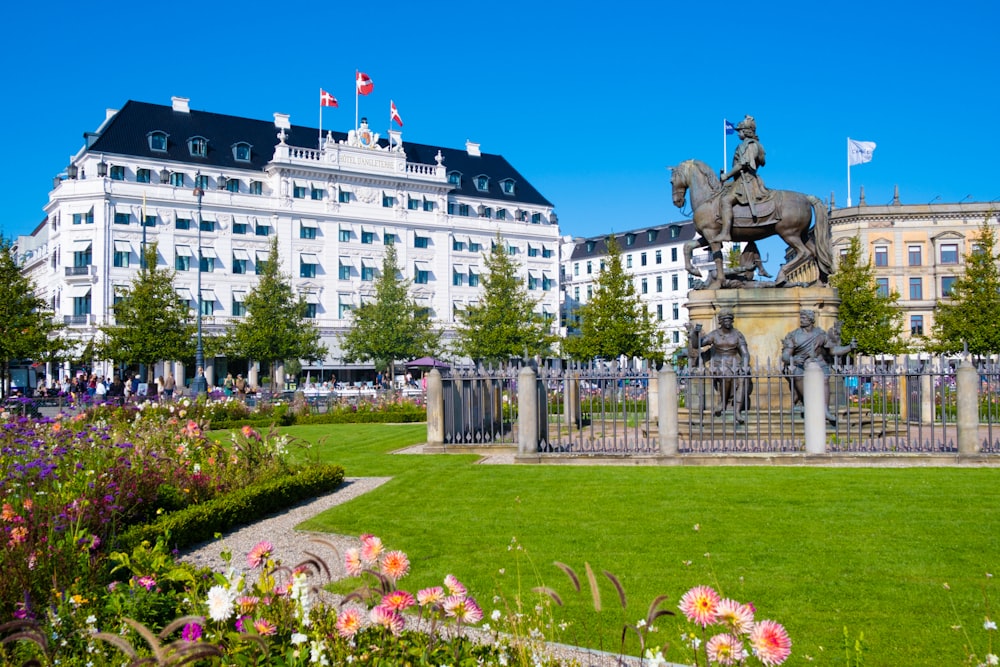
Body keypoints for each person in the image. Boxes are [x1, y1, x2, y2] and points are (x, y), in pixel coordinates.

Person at [781, 309, 855, 422]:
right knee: (797, 374)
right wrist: (793, 359)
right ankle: (810, 403)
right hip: (801, 364)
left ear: (811, 320)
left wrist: (849, 347)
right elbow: (785, 355)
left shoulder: (821, 334)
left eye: (804, 318)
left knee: (825, 377)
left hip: (819, 362)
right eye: (801, 318)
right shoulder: (794, 335)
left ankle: (825, 410)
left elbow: (832, 350)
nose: (801, 320)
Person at [689, 308, 752, 422]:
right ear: (720, 322)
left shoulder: (737, 334)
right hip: (718, 363)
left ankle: (737, 411)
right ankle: (723, 402)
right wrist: (695, 333)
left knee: (743, 379)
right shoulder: (715, 334)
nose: (727, 322)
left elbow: (745, 353)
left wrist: (744, 365)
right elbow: (697, 344)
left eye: (729, 320)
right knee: (726, 374)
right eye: (725, 320)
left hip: (734, 362)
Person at [718, 115, 769, 243]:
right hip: (741, 180)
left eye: (740, 131)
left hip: (746, 181)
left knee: (725, 201)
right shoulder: (752, 144)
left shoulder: (749, 145)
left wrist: (727, 175)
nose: (738, 134)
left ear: (746, 132)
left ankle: (725, 233)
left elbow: (742, 163)